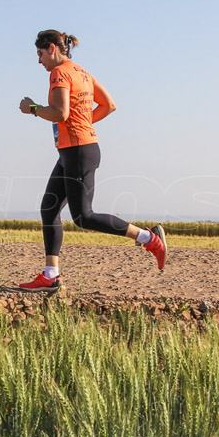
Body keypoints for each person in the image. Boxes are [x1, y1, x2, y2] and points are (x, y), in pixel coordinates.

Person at [17, 29, 166, 291]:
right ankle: (51, 275)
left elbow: (60, 113)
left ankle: (149, 237)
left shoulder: (60, 72)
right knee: (49, 209)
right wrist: (83, 123)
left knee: (83, 216)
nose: (39, 60)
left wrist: (32, 109)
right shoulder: (82, 72)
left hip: (77, 151)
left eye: (40, 54)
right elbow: (109, 105)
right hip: (73, 150)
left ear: (52, 48)